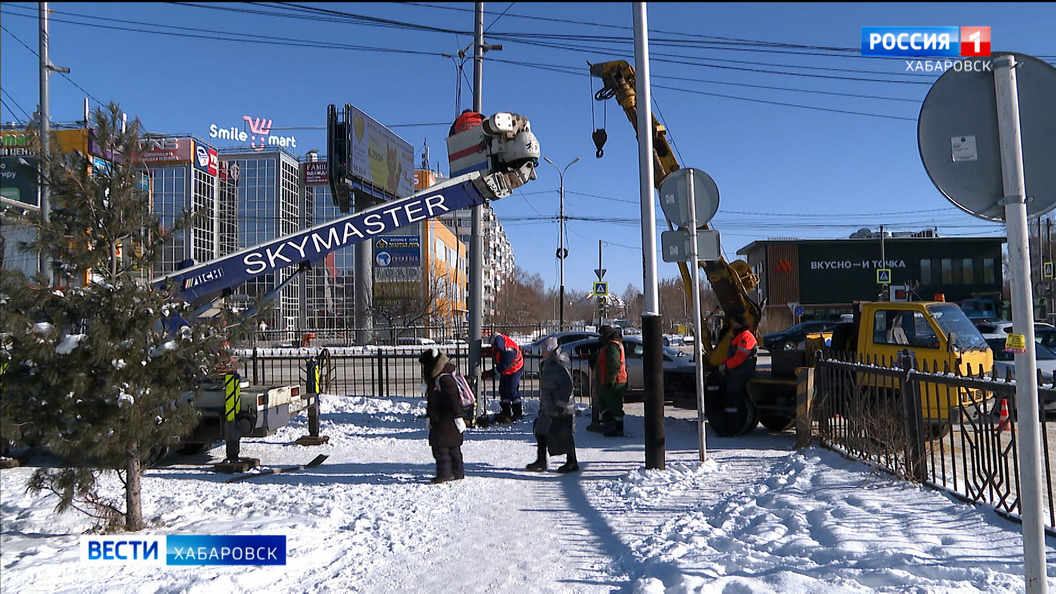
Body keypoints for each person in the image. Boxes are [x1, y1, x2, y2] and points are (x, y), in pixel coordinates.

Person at [526, 337, 579, 473]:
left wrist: (560, 404)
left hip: (560, 408)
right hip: (549, 407)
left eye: (544, 350)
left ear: (550, 350)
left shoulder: (558, 365)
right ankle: (541, 460)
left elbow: (568, 386)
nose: (542, 353)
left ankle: (572, 462)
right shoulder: (551, 363)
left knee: (564, 435)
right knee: (540, 431)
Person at [418, 348, 467, 484]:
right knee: (453, 447)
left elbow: (453, 400)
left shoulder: (443, 379)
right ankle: (458, 472)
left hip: (444, 420)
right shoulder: (441, 376)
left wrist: (458, 417)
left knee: (441, 448)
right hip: (445, 420)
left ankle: (445, 473)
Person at [588, 325, 628, 437]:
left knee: (614, 405)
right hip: (609, 381)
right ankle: (611, 425)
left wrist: (611, 380)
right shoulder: (609, 346)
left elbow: (614, 364)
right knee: (604, 403)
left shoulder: (612, 346)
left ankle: (617, 428)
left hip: (615, 382)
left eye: (600, 334)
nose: (599, 337)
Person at [483, 333, 525, 423]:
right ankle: (506, 412)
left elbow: (502, 367)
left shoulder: (509, 350)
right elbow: (496, 350)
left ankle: (517, 413)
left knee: (512, 390)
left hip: (515, 369)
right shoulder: (498, 341)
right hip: (507, 370)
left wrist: (489, 373)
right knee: (503, 390)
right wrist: (489, 351)